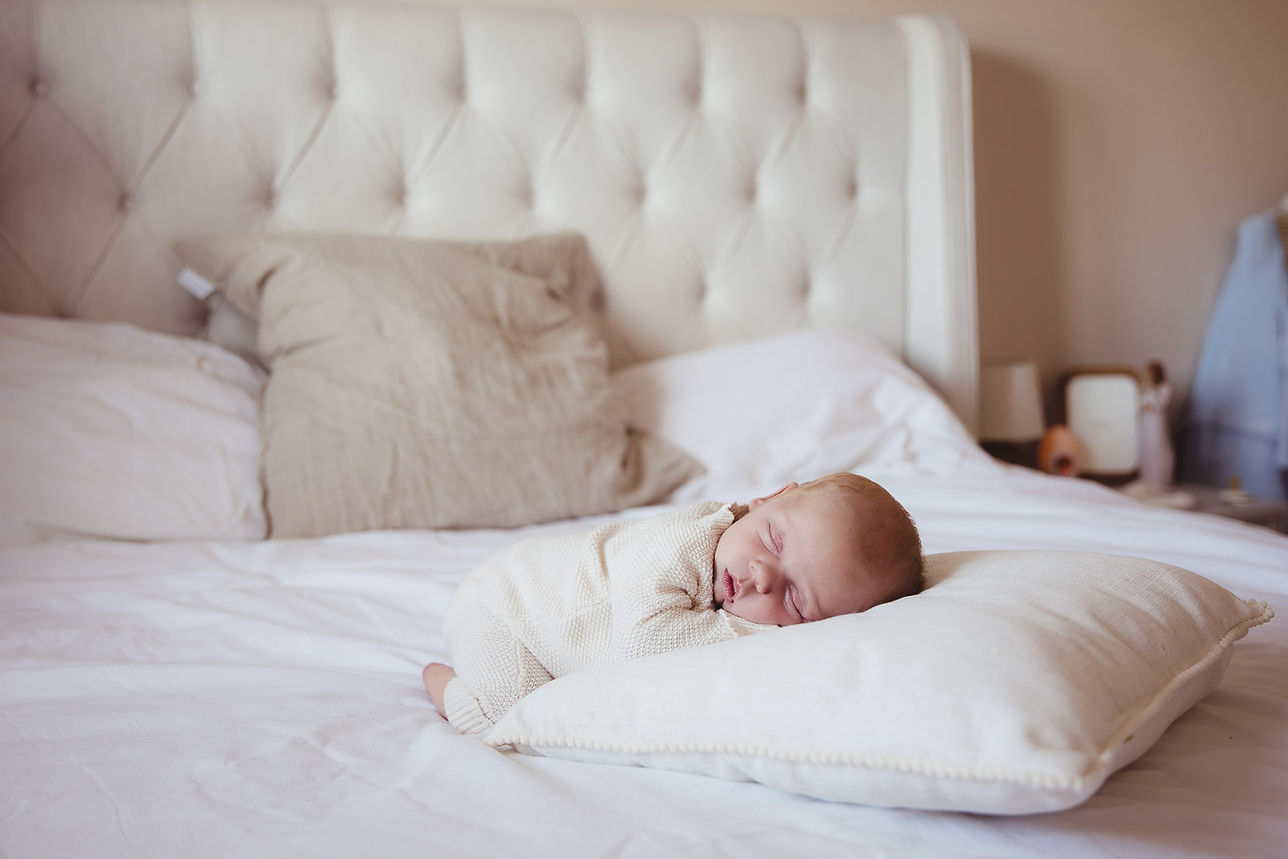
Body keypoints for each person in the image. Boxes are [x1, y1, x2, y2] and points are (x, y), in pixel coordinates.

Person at [422, 472, 924, 735]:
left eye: (795, 599)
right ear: (767, 498)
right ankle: (443, 683)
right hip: (505, 605)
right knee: (512, 724)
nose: (761, 576)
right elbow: (646, 648)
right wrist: (760, 632)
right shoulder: (681, 542)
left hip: (544, 625)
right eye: (773, 541)